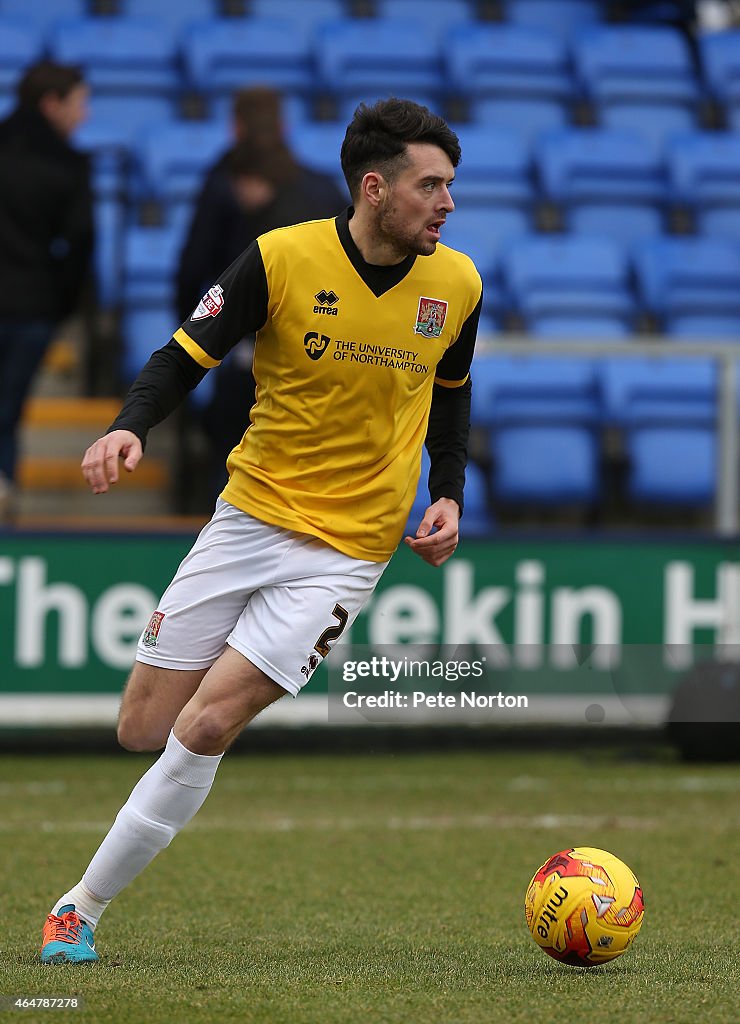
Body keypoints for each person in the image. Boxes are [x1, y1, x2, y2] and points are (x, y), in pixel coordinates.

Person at [39, 98, 482, 964]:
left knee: (208, 725)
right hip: (247, 519)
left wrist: (449, 492)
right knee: (144, 726)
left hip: (348, 549)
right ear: (374, 186)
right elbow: (183, 355)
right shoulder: (281, 258)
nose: (447, 203)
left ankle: (78, 909)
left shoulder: (457, 285)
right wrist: (130, 424)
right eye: (431, 185)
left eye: (450, 186)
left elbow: (454, 393)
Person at [199, 138, 347, 499]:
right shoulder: (323, 194)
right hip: (325, 354)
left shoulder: (273, 235)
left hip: (275, 354)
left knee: (236, 440)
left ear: (251, 180)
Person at [0, 60, 93, 521]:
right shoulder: (68, 165)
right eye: (80, 103)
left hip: (29, 305)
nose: (85, 115)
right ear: (51, 103)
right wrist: (62, 304)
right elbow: (80, 243)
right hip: (31, 306)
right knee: (7, 409)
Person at [175, 86, 345, 325]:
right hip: (317, 333)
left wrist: (191, 342)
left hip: (244, 337)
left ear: (235, 129)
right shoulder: (324, 190)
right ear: (283, 128)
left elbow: (192, 271)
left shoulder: (219, 188)